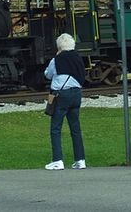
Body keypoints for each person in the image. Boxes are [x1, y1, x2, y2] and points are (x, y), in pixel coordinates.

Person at [43, 33, 86, 170]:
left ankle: (57, 160)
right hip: (76, 93)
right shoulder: (78, 58)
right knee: (75, 128)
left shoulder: (56, 60)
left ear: (59, 46)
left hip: (61, 95)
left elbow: (48, 75)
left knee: (56, 128)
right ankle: (80, 160)